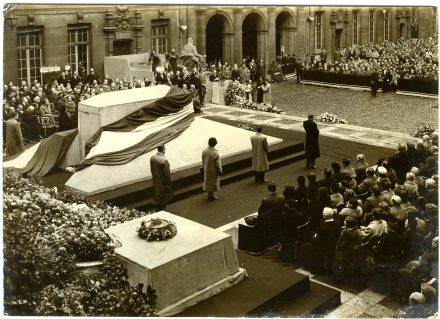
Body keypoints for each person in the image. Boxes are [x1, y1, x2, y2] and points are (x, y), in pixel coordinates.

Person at [150, 145, 172, 211]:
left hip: (155, 179)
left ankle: (158, 208)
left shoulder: (152, 158)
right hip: (163, 181)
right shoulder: (164, 160)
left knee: (157, 193)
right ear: (163, 149)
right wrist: (168, 184)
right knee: (163, 196)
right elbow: (167, 174)